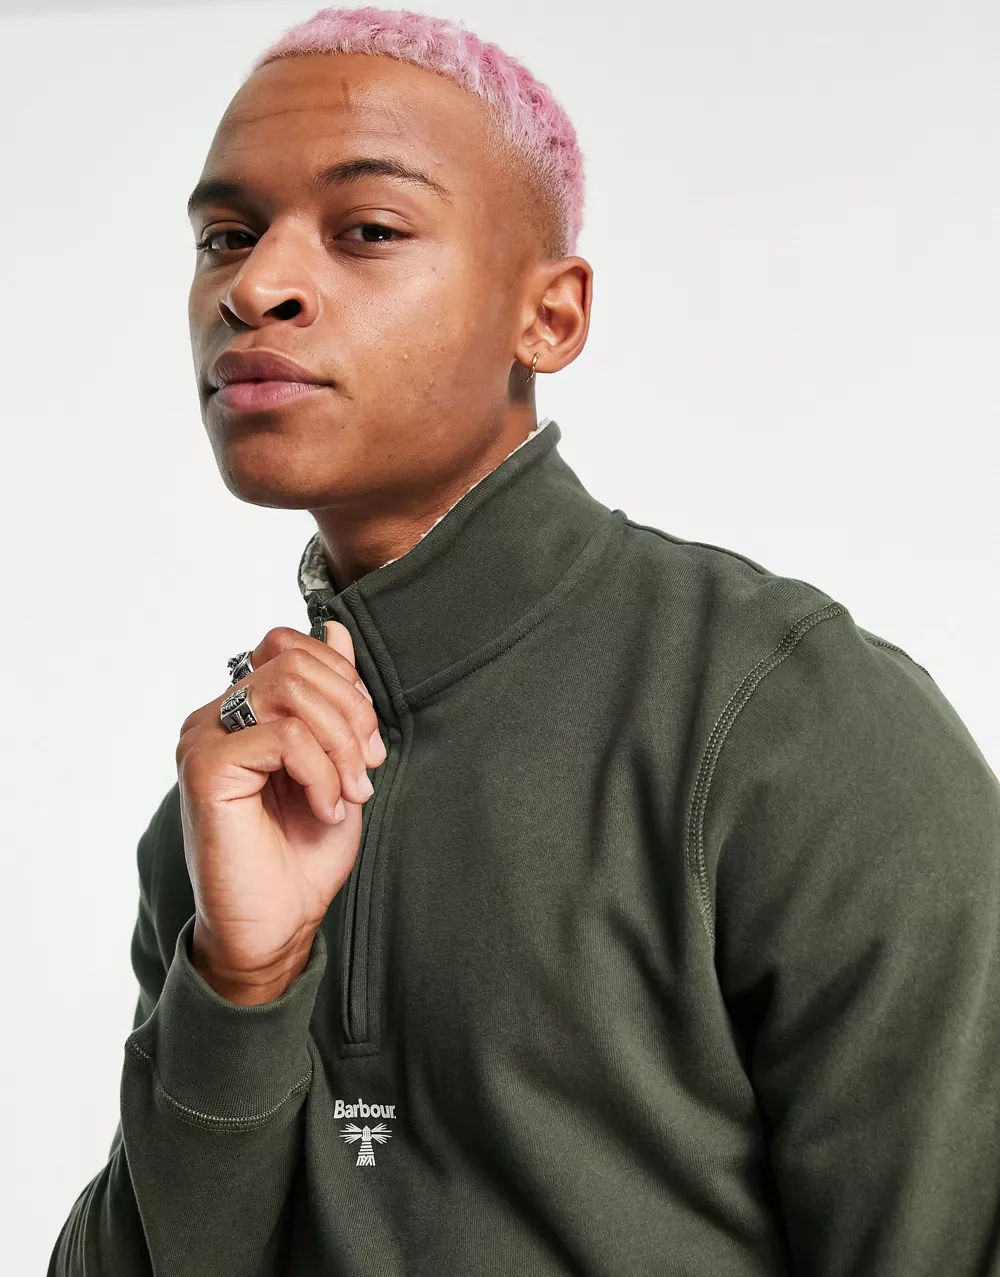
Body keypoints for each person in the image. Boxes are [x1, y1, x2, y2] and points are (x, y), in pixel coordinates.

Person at [49, 6, 1000, 1275]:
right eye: (226, 235)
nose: (253, 286)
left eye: (366, 230)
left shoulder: (792, 719)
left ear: (548, 317)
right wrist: (239, 976)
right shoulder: (228, 803)